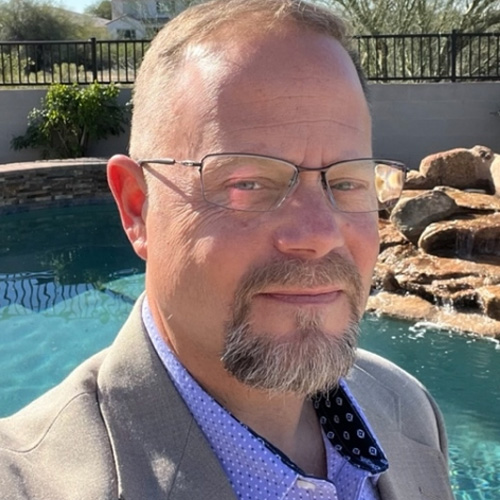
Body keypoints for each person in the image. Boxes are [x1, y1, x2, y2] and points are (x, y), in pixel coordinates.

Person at [0, 1, 454, 498]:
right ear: (137, 207)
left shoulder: (408, 407)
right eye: (248, 183)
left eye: (347, 183)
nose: (320, 233)